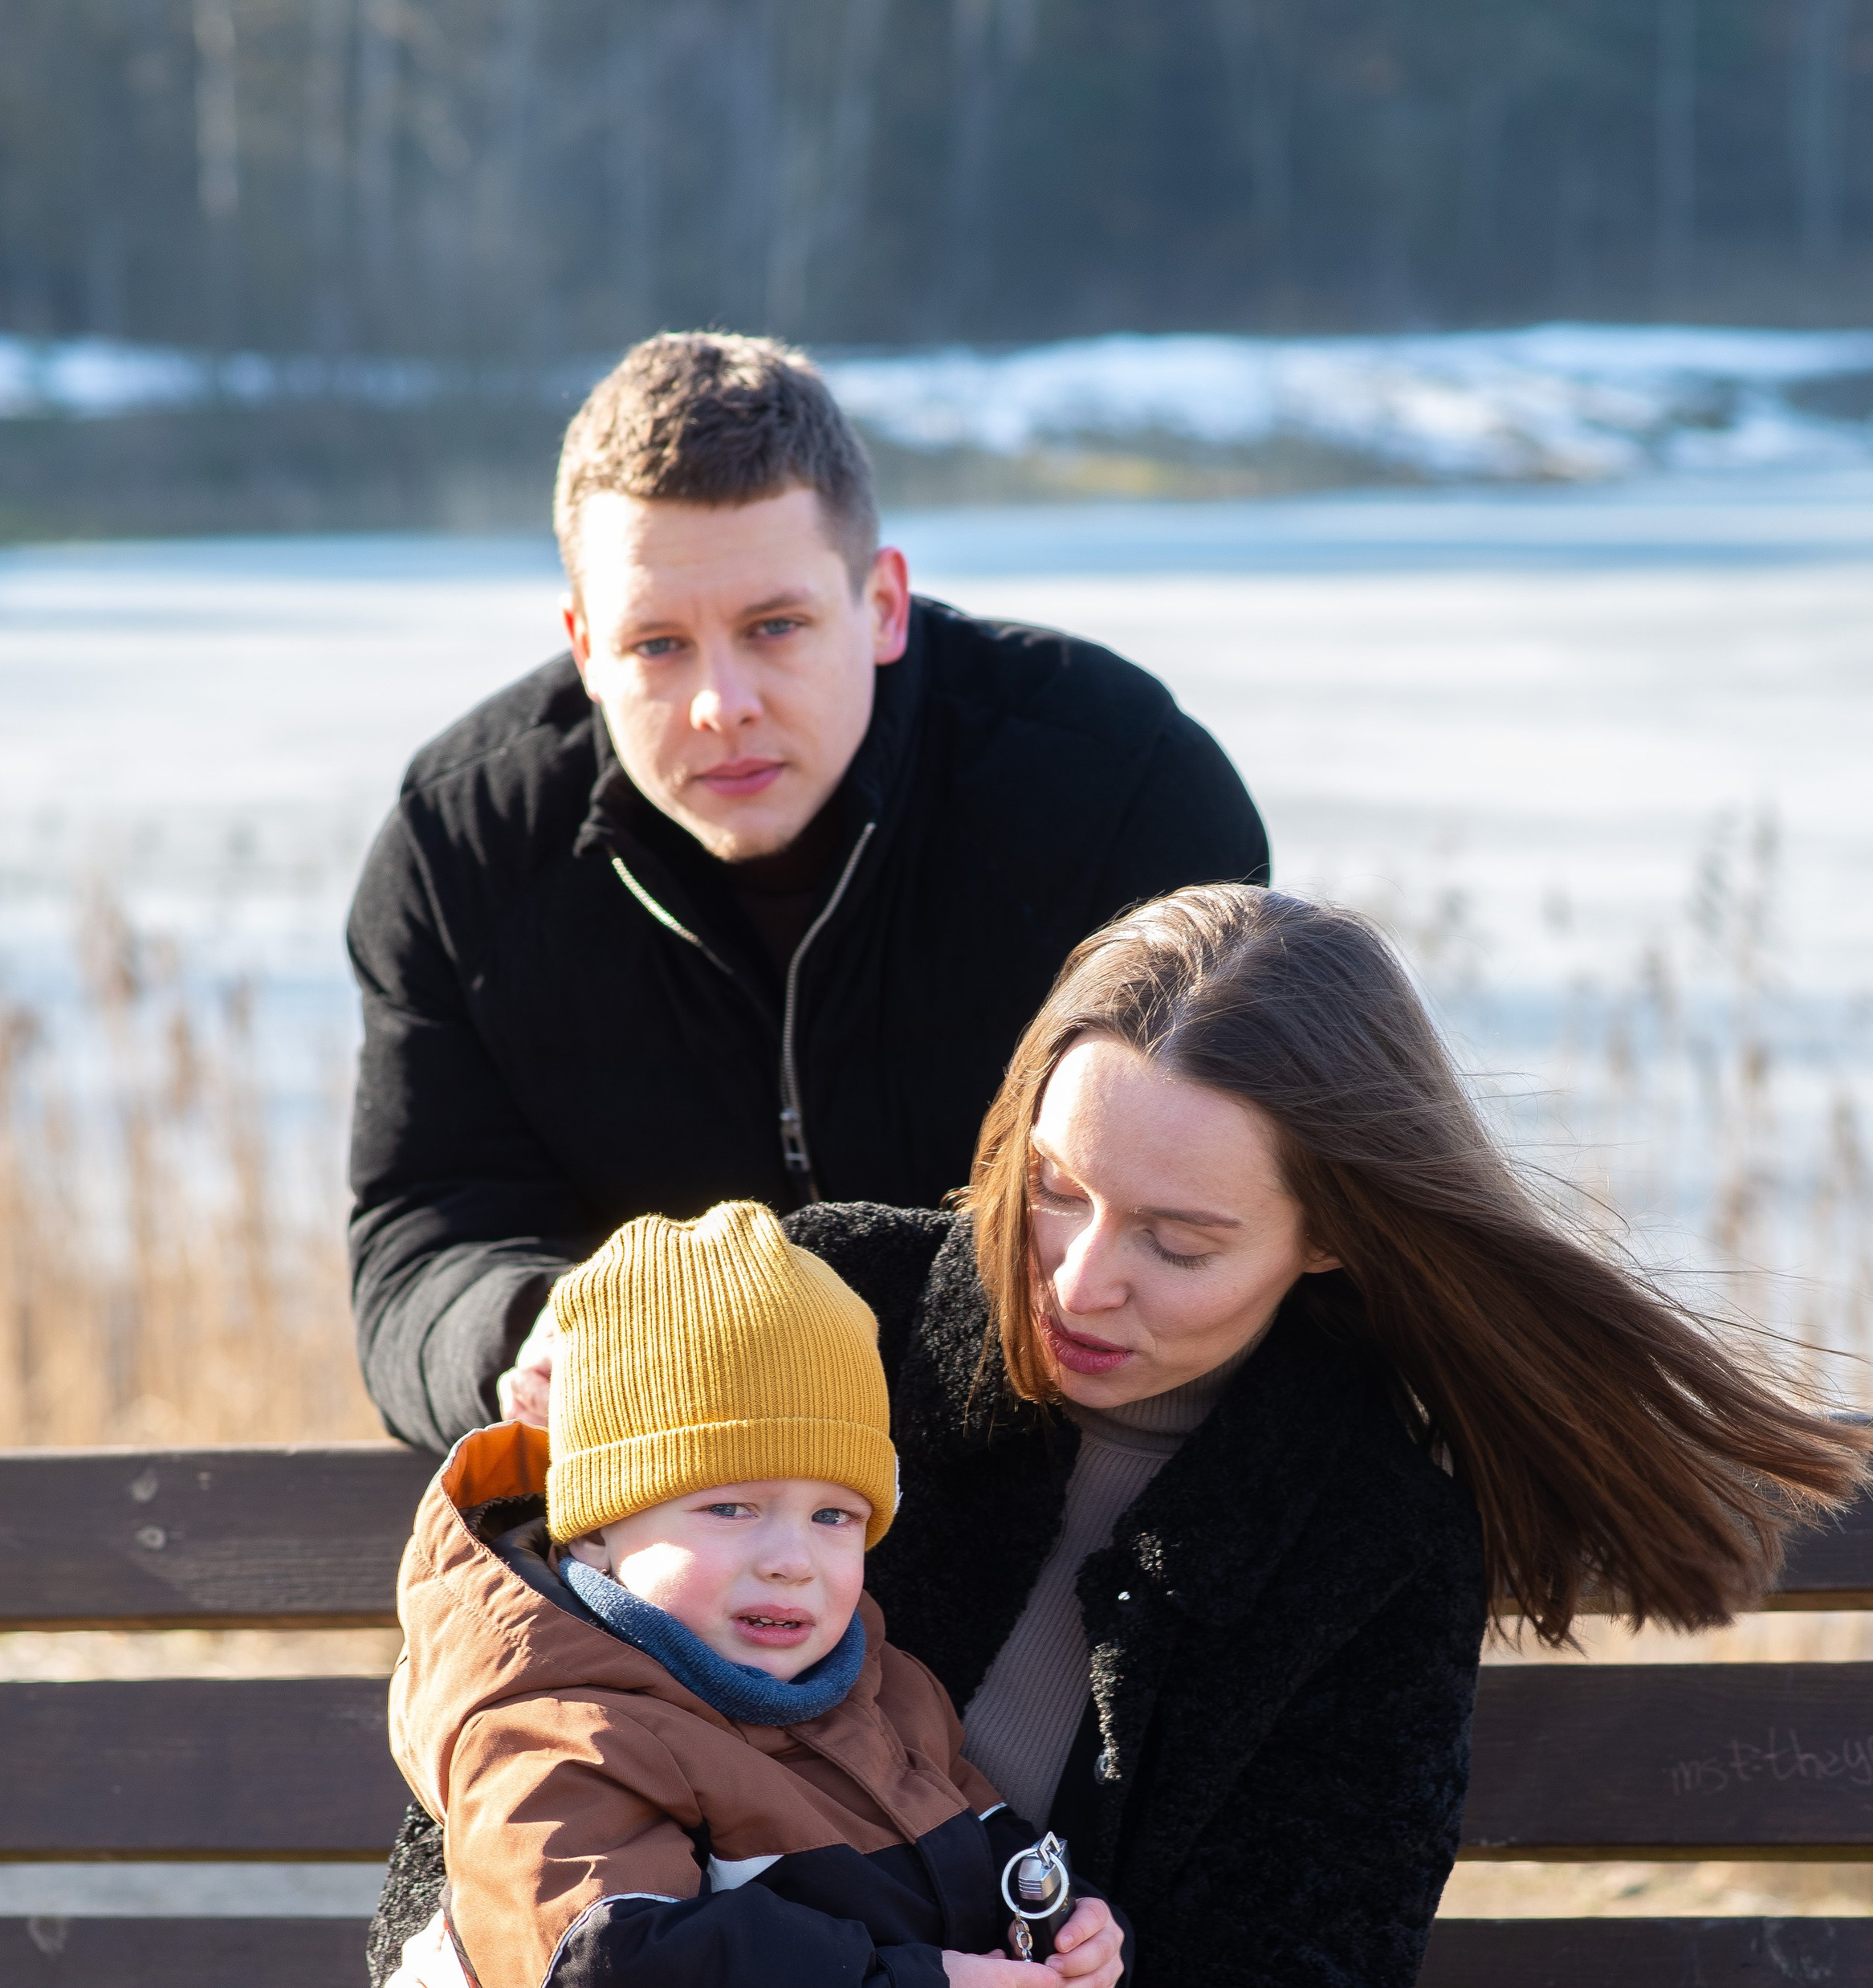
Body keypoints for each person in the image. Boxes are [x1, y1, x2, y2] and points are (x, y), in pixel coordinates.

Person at [379, 884, 1873, 1988]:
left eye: (1181, 1241)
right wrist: (426, 1960)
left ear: (1329, 1239)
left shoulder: (1368, 1530)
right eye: (1056, 1189)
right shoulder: (829, 1311)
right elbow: (537, 1675)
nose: (1084, 1280)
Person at [392, 1195, 1293, 1988]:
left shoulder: (863, 1684)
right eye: (731, 1506)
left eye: (832, 1516)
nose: (792, 1562)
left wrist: (1053, 1928)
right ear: (599, 1524)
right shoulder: (564, 1733)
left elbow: (963, 1840)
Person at [346, 330, 1268, 1456]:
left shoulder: (1121, 786)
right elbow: (425, 1229)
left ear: (882, 604)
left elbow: (1223, 1203)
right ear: (584, 645)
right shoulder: (460, 845)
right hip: (668, 1485)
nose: (720, 703)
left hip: (1057, 1455)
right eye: (657, 646)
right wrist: (529, 1335)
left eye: (774, 627)